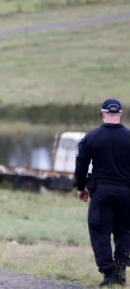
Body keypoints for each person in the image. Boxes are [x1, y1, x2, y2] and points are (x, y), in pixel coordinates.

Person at [76, 99, 130, 287]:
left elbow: (81, 165)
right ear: (120, 114)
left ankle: (108, 273)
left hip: (101, 192)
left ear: (102, 114)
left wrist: (80, 187)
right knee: (124, 231)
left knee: (100, 231)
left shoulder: (91, 137)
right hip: (126, 193)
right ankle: (121, 268)